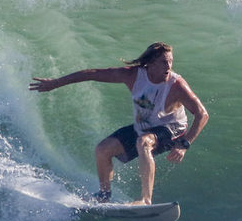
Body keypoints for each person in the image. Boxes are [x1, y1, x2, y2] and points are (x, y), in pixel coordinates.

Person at [29, 42, 209, 204]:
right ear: (150, 63)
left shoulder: (176, 85)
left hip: (173, 128)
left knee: (143, 142)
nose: (169, 66)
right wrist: (56, 83)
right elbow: (92, 73)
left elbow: (202, 114)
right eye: (164, 62)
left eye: (170, 61)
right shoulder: (132, 75)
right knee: (103, 149)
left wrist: (184, 144)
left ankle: (146, 199)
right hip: (145, 126)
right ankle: (104, 195)